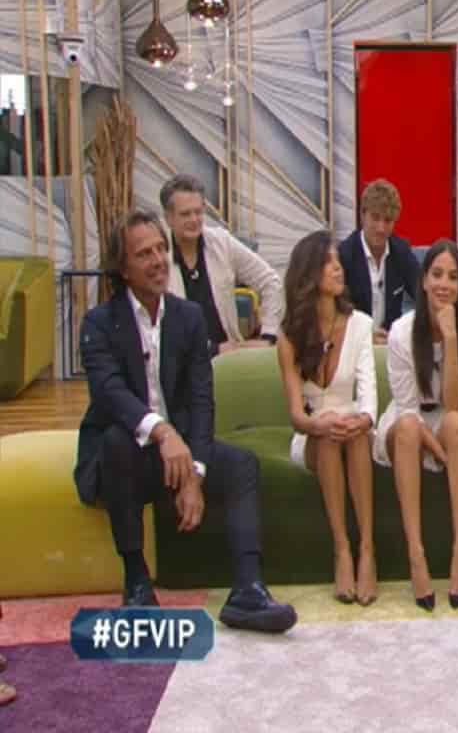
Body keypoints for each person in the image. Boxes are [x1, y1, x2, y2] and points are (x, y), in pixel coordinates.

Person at [74, 210, 297, 632]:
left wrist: (195, 472)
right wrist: (163, 433)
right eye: (144, 253)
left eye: (161, 249)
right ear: (123, 268)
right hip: (127, 458)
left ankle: (248, 590)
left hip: (179, 454)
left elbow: (200, 400)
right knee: (117, 441)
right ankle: (137, 584)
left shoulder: (188, 317)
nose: (158, 260)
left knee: (242, 466)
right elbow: (110, 393)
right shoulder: (99, 323)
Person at [374, 240, 458, 611]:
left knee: (454, 421)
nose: (444, 285)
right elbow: (408, 409)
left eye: (453, 277)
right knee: (406, 428)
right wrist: (443, 456)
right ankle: (416, 555)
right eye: (437, 274)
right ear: (423, 281)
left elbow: (453, 403)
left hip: (448, 417)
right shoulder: (401, 332)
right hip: (410, 419)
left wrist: (450, 339)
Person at [278, 231, 378, 605]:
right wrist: (316, 424)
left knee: (352, 432)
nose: (338, 268)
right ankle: (342, 550)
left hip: (353, 428)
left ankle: (367, 550)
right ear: (308, 274)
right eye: (328, 263)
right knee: (328, 435)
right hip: (312, 435)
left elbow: (368, 391)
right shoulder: (289, 336)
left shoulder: (360, 325)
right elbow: (295, 415)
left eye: (338, 261)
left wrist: (365, 419)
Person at [160, 174, 283, 353]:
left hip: (229, 357)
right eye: (185, 214)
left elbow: (270, 281)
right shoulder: (158, 255)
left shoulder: (221, 242)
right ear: (168, 218)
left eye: (198, 212)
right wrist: (214, 349)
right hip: (182, 360)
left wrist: (269, 335)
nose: (194, 220)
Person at [338, 179, 422, 345]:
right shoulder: (344, 255)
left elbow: (424, 294)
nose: (381, 228)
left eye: (388, 220)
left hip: (391, 345)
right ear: (363, 215)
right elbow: (335, 314)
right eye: (375, 218)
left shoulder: (401, 252)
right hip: (353, 345)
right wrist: (365, 338)